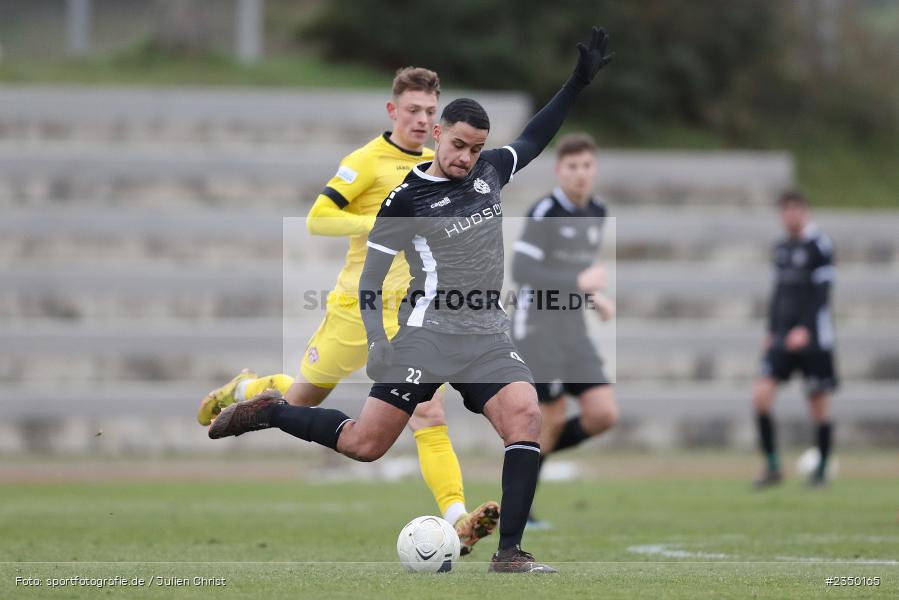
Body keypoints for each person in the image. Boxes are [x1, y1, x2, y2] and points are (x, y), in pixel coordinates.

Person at [208, 26, 614, 573]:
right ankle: (274, 411)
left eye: (475, 147)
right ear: (439, 135)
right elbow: (372, 281)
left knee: (524, 417)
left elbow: (536, 136)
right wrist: (378, 341)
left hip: (486, 337)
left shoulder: (491, 171)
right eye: (458, 145)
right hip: (425, 338)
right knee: (363, 444)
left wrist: (576, 83)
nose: (466, 157)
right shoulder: (405, 199)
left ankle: (510, 553)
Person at [197, 67, 499, 554]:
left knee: (429, 411)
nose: (421, 120)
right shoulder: (366, 162)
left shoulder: (442, 163)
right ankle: (249, 390)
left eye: (429, 111)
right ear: (393, 110)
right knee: (301, 400)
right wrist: (380, 220)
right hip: (355, 309)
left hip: (412, 315)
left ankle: (458, 517)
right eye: (413, 110)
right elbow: (319, 218)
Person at [510, 132, 618, 529]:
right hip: (538, 328)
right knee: (550, 417)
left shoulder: (598, 211)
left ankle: (536, 456)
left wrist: (594, 299)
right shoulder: (545, 212)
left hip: (572, 327)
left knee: (603, 414)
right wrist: (579, 281)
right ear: (559, 171)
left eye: (587, 166)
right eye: (572, 167)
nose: (580, 174)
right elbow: (522, 272)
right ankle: (520, 506)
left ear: (595, 169)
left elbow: (578, 277)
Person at [752, 190, 838, 489]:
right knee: (761, 397)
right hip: (782, 338)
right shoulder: (781, 246)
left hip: (814, 338)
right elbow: (779, 294)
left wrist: (805, 328)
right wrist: (772, 331)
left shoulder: (819, 245)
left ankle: (822, 470)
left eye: (796, 210)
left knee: (817, 403)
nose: (791, 216)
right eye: (786, 211)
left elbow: (821, 294)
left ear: (806, 212)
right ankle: (773, 466)